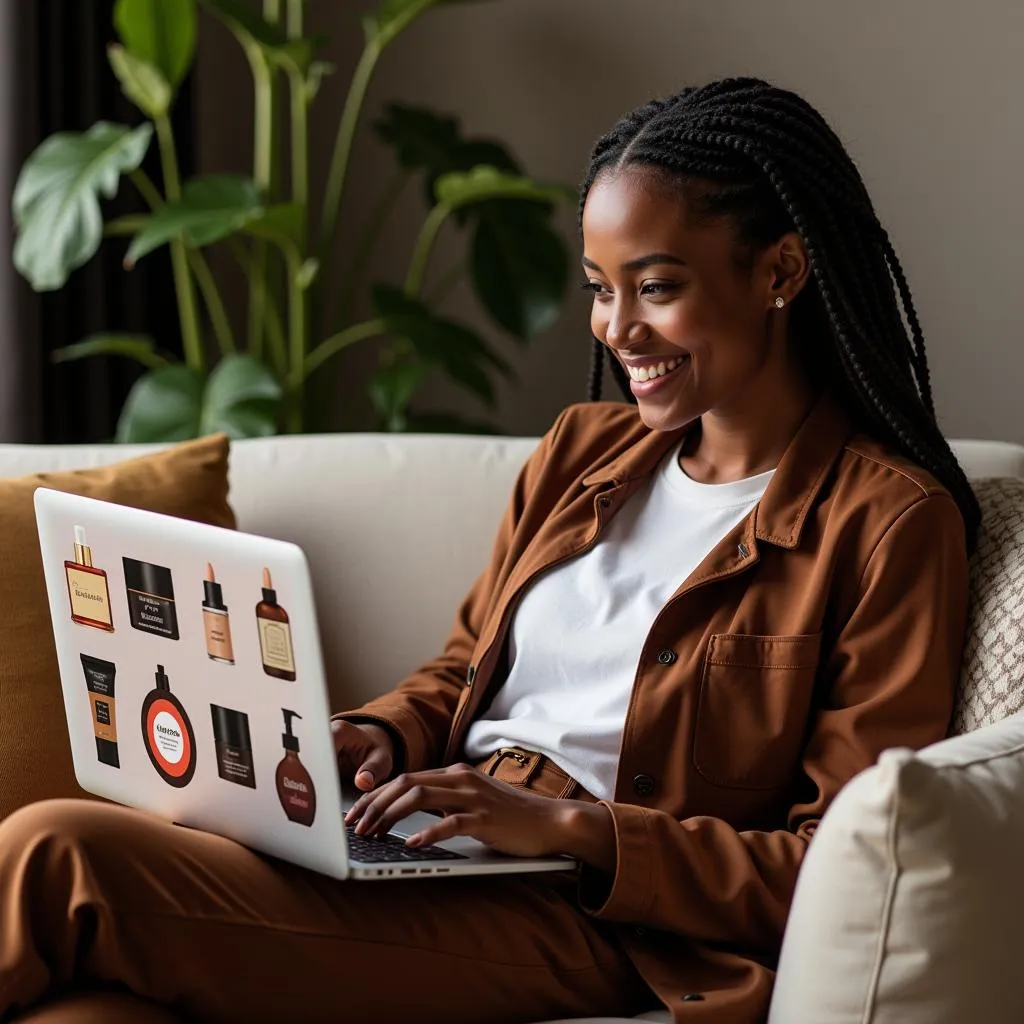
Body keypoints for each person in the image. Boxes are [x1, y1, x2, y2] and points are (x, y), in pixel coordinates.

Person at [0, 78, 974, 1024]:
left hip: (589, 913)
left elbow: (843, 863)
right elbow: (465, 668)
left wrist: (570, 828)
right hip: (433, 841)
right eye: (598, 289)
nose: (616, 328)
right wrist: (377, 737)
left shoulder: (886, 523)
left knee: (59, 852)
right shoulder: (583, 452)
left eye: (657, 286)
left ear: (778, 272)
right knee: (91, 1007)